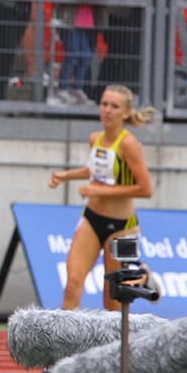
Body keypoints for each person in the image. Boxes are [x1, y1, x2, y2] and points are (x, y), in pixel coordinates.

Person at [49, 84, 153, 310]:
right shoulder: (95, 138)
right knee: (72, 284)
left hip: (122, 226)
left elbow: (145, 189)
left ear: (125, 112)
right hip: (92, 218)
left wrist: (98, 191)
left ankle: (142, 275)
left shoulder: (128, 144)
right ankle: (65, 343)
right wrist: (65, 175)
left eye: (114, 106)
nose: (107, 110)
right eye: (104, 104)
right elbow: (96, 170)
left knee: (112, 302)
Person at [56, 0, 119, 106]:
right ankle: (61, 88)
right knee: (73, 54)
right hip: (70, 19)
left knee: (85, 56)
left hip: (86, 20)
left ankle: (78, 88)